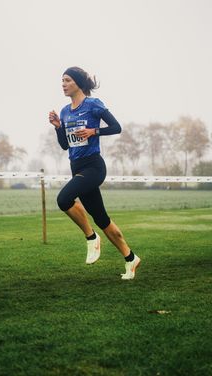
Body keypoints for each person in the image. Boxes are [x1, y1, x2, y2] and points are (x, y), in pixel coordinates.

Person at [49, 66, 141, 280]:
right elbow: (65, 146)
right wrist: (57, 127)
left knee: (64, 199)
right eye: (62, 80)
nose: (63, 84)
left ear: (78, 83)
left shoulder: (93, 105)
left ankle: (91, 238)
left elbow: (116, 127)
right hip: (77, 167)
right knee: (102, 219)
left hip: (93, 167)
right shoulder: (64, 111)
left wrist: (93, 131)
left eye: (67, 80)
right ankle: (131, 258)